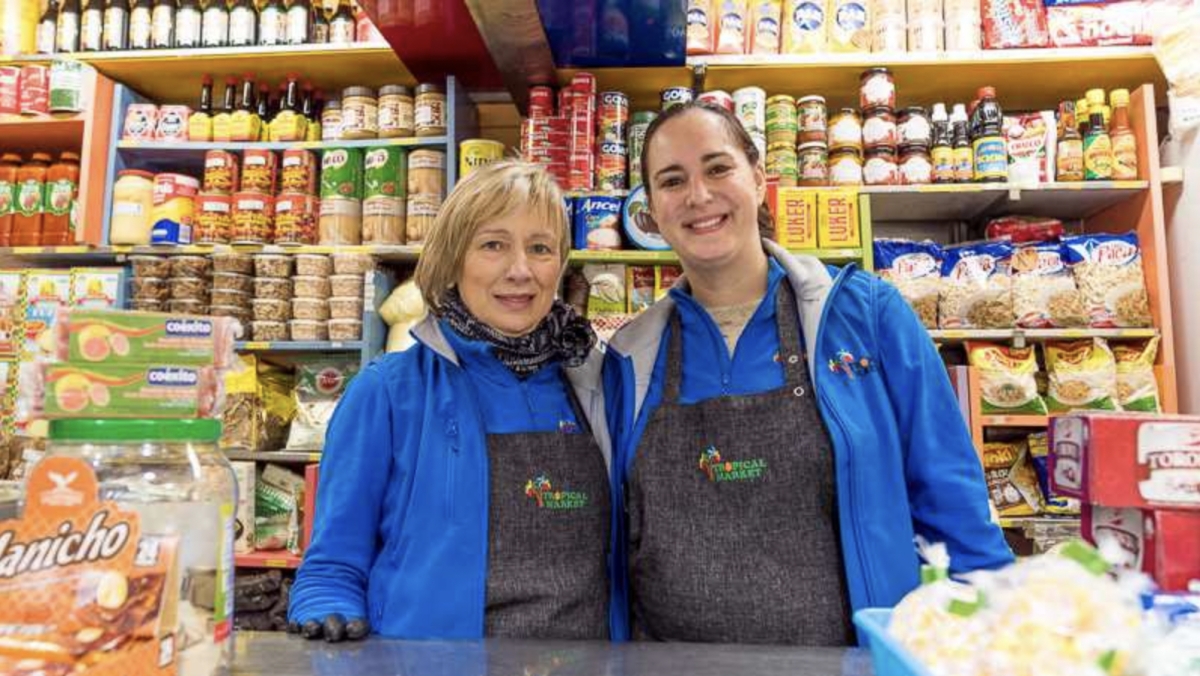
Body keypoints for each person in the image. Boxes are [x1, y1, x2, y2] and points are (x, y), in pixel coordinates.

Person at [602, 101, 1014, 645]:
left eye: (718, 168)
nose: (698, 195)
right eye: (672, 180)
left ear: (758, 179)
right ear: (651, 211)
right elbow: (611, 546)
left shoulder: (867, 316)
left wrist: (998, 635)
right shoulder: (630, 356)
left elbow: (954, 508)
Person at [288, 161, 623, 642]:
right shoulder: (387, 392)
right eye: (493, 245)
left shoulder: (598, 385)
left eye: (541, 248)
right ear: (453, 258)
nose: (520, 270)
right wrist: (329, 612)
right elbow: (332, 566)